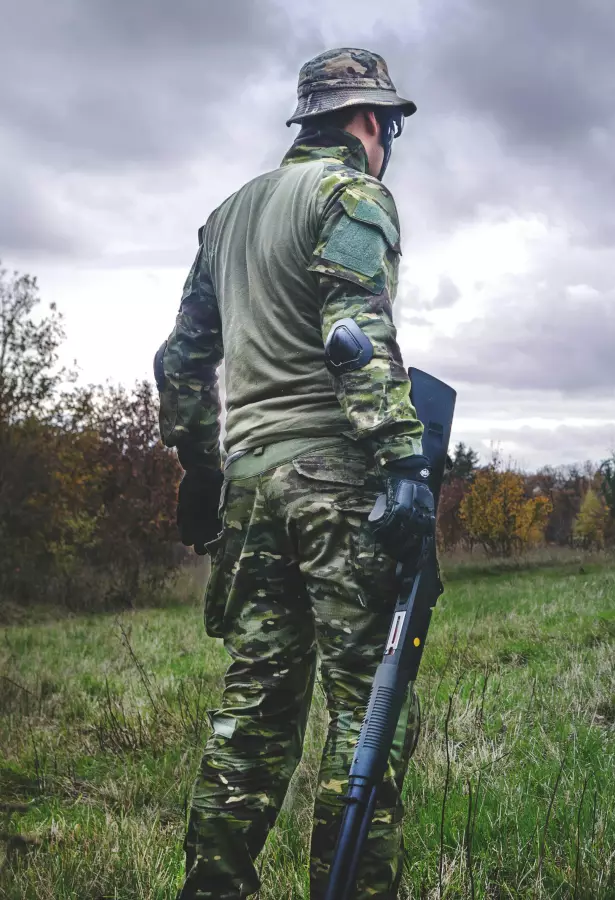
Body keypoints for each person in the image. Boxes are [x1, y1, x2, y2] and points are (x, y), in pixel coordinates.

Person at [154, 47, 435, 899]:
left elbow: (181, 363)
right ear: (370, 121)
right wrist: (402, 461)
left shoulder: (229, 216)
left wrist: (203, 471)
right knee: (368, 709)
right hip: (336, 485)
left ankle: (212, 889)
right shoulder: (353, 194)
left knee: (254, 712)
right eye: (386, 127)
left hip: (250, 484)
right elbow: (355, 335)